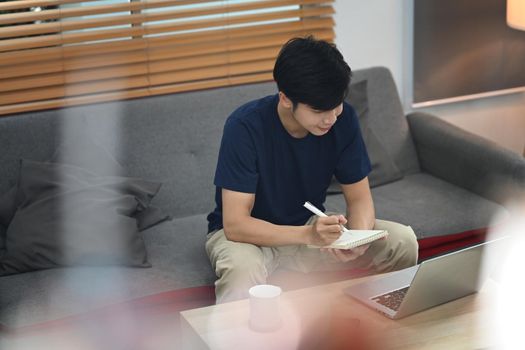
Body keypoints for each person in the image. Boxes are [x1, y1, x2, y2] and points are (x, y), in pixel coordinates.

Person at [206, 36, 418, 303]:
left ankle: (384, 327)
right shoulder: (244, 126)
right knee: (241, 271)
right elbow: (236, 225)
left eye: (336, 105)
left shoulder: (344, 119)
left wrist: (357, 239)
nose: (330, 118)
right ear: (285, 98)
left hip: (308, 231)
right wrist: (308, 235)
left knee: (402, 241)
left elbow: (360, 199)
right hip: (249, 239)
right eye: (319, 110)